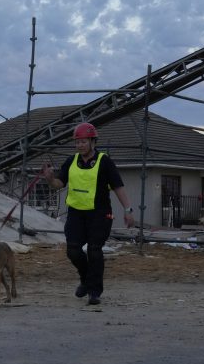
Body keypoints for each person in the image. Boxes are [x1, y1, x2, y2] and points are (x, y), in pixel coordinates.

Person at [41, 122, 135, 305]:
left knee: (94, 250)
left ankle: (94, 291)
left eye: (83, 142)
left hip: (99, 214)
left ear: (93, 142)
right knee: (73, 251)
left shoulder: (104, 161)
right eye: (77, 142)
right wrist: (50, 178)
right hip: (76, 213)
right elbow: (59, 184)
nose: (80, 145)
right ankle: (85, 280)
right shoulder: (70, 161)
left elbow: (118, 187)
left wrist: (127, 210)